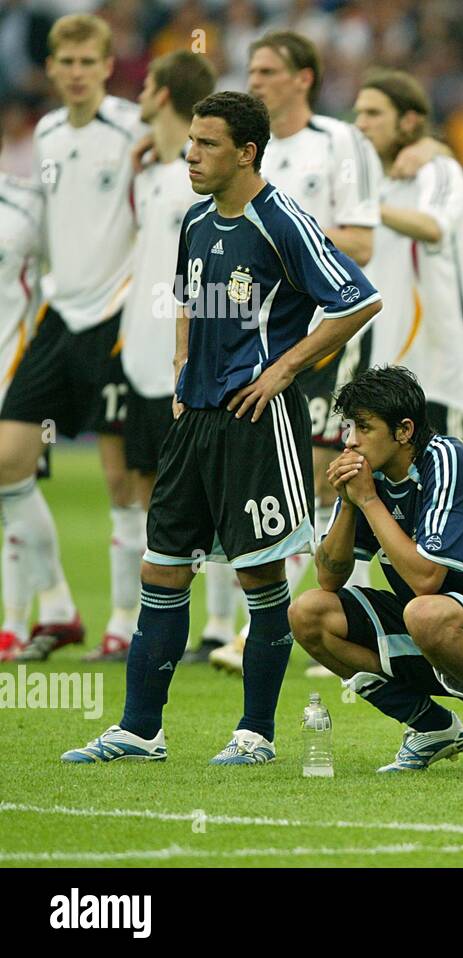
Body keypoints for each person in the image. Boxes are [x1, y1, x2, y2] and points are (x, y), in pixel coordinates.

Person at [61, 90, 381, 765]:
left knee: (260, 576)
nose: (191, 154)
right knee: (163, 568)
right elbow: (184, 296)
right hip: (197, 420)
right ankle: (140, 729)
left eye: (206, 144)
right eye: (191, 142)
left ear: (246, 152)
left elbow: (359, 298)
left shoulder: (280, 219)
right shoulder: (197, 219)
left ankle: (255, 734)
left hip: (258, 425)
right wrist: (182, 367)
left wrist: (287, 367)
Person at [207, 30, 385, 675]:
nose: (256, 80)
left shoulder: (341, 143)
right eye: (249, 68)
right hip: (250, 343)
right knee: (252, 479)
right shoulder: (241, 151)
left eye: (268, 70)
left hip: (322, 343)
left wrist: (284, 227)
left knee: (320, 478)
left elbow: (361, 243)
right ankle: (250, 625)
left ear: (303, 77)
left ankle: (335, 615)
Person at [288, 365, 463, 775]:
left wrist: (371, 503)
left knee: (424, 611)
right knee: (309, 613)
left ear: (404, 430)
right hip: (435, 627)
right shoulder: (369, 476)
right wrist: (348, 503)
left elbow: (425, 578)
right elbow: (329, 578)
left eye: (364, 427)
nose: (351, 441)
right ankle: (432, 728)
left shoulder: (449, 461)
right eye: (349, 427)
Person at [0, 13, 144, 661]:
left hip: (116, 316)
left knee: (121, 479)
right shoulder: (48, 134)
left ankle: (123, 619)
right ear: (52, 68)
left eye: (90, 62)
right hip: (61, 314)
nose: (78, 73)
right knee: (8, 458)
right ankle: (58, 607)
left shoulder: (133, 129)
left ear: (107, 66)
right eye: (68, 62)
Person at [112, 51, 217, 665]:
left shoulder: (198, 177)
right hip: (143, 351)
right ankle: (139, 619)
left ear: (165, 93)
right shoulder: (151, 171)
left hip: (190, 358)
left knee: (216, 496)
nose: (139, 95)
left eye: (147, 85)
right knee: (144, 488)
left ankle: (221, 628)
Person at [352, 70, 463, 448]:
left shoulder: (439, 170)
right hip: (387, 369)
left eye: (374, 114)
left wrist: (366, 208)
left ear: (409, 121)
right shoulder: (377, 180)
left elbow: (432, 226)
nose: (361, 124)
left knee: (457, 488)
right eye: (359, 113)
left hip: (441, 369)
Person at [0, 130, 45, 660]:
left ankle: (16, 619)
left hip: (15, 373)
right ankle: (55, 609)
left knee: (11, 488)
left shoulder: (27, 206)